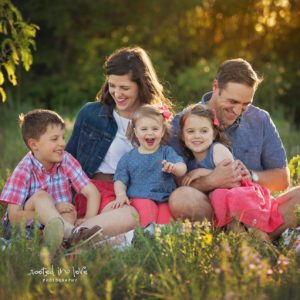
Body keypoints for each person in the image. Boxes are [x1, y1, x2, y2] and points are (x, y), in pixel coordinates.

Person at [169, 58, 300, 240]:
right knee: (180, 197)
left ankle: (251, 237)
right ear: (216, 86)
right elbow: (172, 184)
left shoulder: (260, 119)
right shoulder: (183, 123)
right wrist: (212, 180)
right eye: (233, 101)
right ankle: (238, 236)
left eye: (245, 104)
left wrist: (251, 176)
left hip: (255, 208)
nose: (238, 110)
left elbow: (282, 179)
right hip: (212, 212)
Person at [66, 46, 173, 236]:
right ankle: (72, 235)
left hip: (136, 193)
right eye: (112, 85)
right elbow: (67, 159)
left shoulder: (155, 119)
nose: (117, 93)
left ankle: (77, 238)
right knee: (130, 217)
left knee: (154, 221)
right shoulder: (91, 113)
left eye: (124, 88)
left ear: (141, 85)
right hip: (97, 193)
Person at [0, 109, 102, 255]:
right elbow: (14, 217)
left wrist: (87, 221)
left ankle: (60, 244)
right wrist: (54, 210)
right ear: (34, 144)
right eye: (55, 139)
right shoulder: (23, 170)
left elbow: (92, 192)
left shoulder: (66, 160)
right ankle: (71, 234)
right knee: (41, 196)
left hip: (54, 227)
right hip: (24, 228)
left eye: (63, 137)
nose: (62, 143)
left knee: (70, 212)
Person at [179, 104, 284, 241]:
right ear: (182, 135)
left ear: (214, 133)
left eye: (204, 131)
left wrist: (202, 172)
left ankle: (265, 246)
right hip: (228, 209)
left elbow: (232, 178)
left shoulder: (217, 150)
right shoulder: (190, 162)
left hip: (242, 196)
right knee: (236, 231)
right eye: (191, 131)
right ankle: (248, 251)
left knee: (221, 197)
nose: (197, 136)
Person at [111, 104, 187, 228]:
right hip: (140, 197)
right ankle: (146, 238)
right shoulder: (128, 157)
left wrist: (174, 167)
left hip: (164, 198)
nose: (150, 133)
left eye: (155, 129)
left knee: (166, 219)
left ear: (162, 131)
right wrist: (121, 195)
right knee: (147, 212)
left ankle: (163, 241)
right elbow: (120, 179)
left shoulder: (166, 152)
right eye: (144, 129)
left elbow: (182, 168)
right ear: (135, 132)